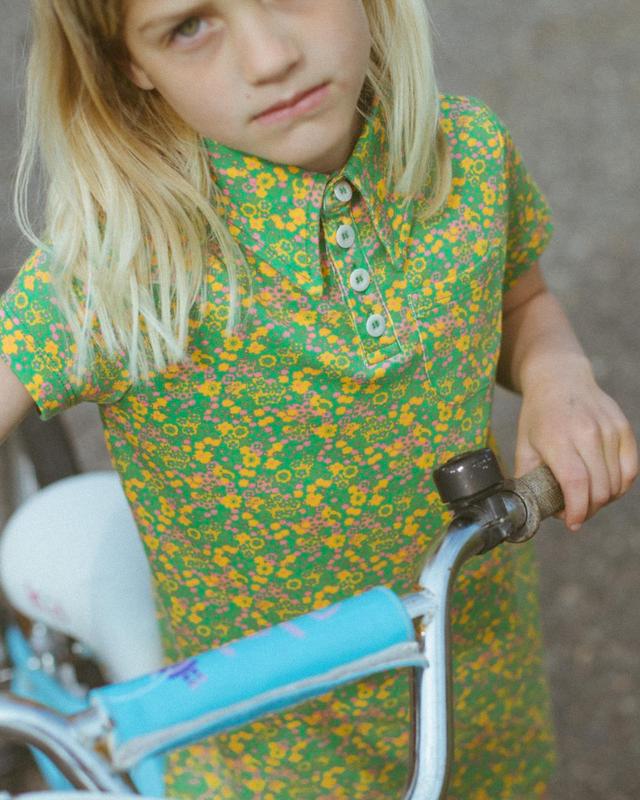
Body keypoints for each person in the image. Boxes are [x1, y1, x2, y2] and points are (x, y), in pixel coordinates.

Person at [0, 1, 637, 798]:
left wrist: (557, 374)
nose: (270, 57)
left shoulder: (466, 156)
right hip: (255, 749)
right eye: (190, 26)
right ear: (130, 63)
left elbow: (519, 299)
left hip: (470, 679)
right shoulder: (127, 259)